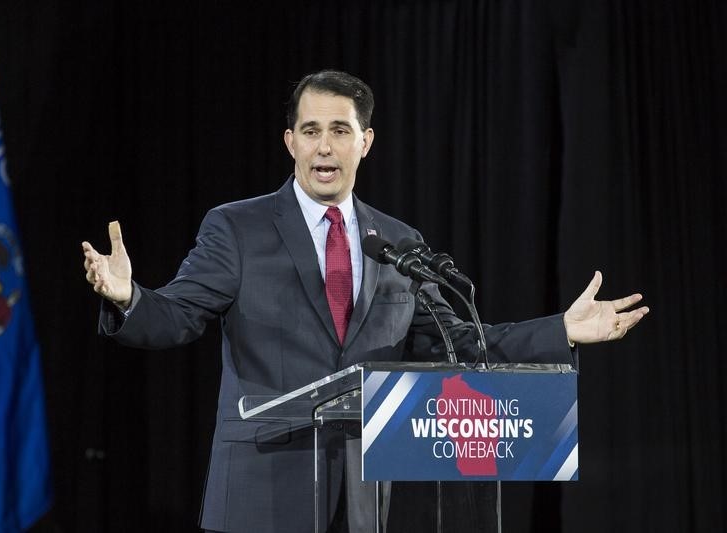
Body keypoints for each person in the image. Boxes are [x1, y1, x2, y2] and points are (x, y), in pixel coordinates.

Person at [82, 70, 648, 533]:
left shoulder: (398, 244)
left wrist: (562, 331)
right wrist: (129, 296)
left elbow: (460, 343)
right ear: (290, 142)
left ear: (365, 141)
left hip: (361, 499)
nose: (324, 146)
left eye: (339, 130)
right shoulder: (237, 228)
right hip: (261, 493)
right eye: (309, 130)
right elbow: (177, 318)